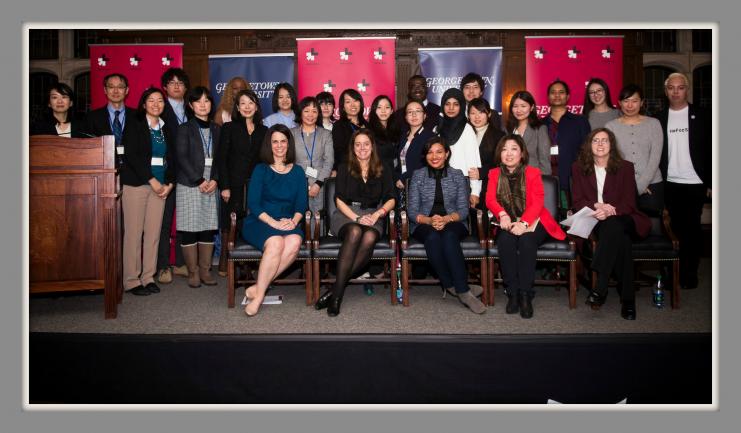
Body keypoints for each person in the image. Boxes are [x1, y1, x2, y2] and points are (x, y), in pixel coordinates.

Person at [571, 128, 651, 320]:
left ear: (611, 145)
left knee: (614, 226)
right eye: (595, 140)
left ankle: (600, 287)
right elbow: (577, 201)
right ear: (589, 145)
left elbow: (629, 203)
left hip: (625, 217)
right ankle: (628, 300)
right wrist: (597, 206)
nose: (600, 144)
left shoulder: (625, 167)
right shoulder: (578, 167)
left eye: (605, 141)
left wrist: (610, 209)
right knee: (621, 240)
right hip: (595, 219)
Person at [314, 129, 395, 316]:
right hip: (346, 215)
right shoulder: (344, 167)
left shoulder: (383, 167)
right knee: (355, 232)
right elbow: (339, 200)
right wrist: (356, 218)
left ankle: (335, 289)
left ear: (372, 146)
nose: (362, 148)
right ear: (353, 147)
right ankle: (337, 297)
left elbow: (391, 198)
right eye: (357, 144)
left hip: (374, 214)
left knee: (368, 237)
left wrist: (377, 215)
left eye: (366, 144)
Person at [486, 134, 566, 319]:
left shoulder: (532, 172)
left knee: (527, 241)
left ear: (522, 153)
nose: (509, 153)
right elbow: (490, 199)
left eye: (514, 149)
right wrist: (503, 215)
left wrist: (523, 223)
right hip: (507, 220)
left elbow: (538, 202)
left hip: (535, 220)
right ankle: (512, 292)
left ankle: (525, 294)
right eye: (504, 149)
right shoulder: (494, 174)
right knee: (505, 242)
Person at [407, 136, 487, 314]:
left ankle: (458, 288)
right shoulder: (418, 175)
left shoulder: (457, 175)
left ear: (447, 154)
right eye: (430, 152)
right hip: (424, 222)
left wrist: (446, 219)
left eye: (439, 152)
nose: (434, 156)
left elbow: (463, 210)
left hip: (454, 220)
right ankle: (459, 288)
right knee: (433, 237)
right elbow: (412, 211)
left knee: (449, 236)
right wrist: (429, 220)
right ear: (425, 156)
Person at [241, 124, 308, 316]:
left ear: (289, 144)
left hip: (288, 221)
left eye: (283, 141)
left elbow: (301, 205)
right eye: (275, 141)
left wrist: (294, 222)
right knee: (276, 242)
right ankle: (260, 296)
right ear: (269, 145)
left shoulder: (297, 172)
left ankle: (259, 287)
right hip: (260, 221)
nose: (279, 146)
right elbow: (253, 204)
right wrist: (273, 223)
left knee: (295, 241)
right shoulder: (261, 170)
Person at [656, 72, 711, 290]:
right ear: (666, 90)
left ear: (687, 90)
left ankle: (689, 275)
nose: (676, 92)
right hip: (669, 182)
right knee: (670, 230)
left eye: (680, 87)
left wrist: (712, 183)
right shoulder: (659, 118)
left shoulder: (704, 115)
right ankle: (671, 274)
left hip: (695, 182)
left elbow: (713, 150)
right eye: (671, 88)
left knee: (692, 231)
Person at [119, 87, 175, 296]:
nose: (156, 104)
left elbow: (172, 159)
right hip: (137, 184)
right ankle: (132, 280)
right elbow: (132, 156)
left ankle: (148, 276)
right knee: (133, 234)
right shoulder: (135, 125)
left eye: (160, 100)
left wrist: (169, 183)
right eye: (151, 100)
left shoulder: (165, 127)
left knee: (153, 234)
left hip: (161, 188)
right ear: (143, 104)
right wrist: (151, 180)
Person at [216, 89, 267, 276]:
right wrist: (225, 186)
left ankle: (248, 266)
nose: (247, 107)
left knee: (251, 223)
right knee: (230, 225)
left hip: (256, 185)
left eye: (251, 103)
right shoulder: (229, 128)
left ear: (256, 107)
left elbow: (266, 159)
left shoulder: (264, 130)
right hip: (233, 185)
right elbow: (222, 159)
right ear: (237, 107)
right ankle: (224, 262)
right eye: (243, 103)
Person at [175, 86, 221, 288]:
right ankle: (192, 271)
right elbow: (181, 157)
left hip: (211, 183)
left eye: (207, 101)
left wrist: (216, 180)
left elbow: (221, 159)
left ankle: (205, 270)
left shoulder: (217, 129)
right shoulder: (185, 128)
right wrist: (199, 180)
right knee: (190, 229)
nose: (203, 105)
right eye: (198, 101)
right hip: (190, 184)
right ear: (191, 106)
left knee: (207, 228)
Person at [605, 84, 664, 216]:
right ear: (619, 103)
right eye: (626, 101)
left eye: (635, 101)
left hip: (651, 184)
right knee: (627, 226)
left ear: (642, 102)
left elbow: (655, 157)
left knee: (652, 227)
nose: (630, 105)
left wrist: (641, 185)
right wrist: (630, 187)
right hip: (622, 186)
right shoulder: (610, 127)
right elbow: (612, 159)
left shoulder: (654, 124)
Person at [156, 67, 191, 284]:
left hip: (187, 174)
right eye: (172, 82)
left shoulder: (192, 108)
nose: (176, 86)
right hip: (167, 174)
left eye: (180, 82)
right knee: (164, 221)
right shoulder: (159, 109)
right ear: (165, 87)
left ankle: (179, 263)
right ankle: (162, 266)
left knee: (184, 221)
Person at [542, 80, 591, 208]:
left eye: (561, 92)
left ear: (568, 96)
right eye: (553, 93)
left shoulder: (580, 121)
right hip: (546, 178)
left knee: (570, 219)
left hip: (572, 179)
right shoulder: (540, 124)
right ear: (548, 97)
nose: (557, 95)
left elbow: (587, 151)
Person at [438, 88, 482, 209]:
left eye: (456, 104)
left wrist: (475, 191)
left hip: (462, 185)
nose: (451, 108)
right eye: (447, 104)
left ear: (462, 106)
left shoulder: (467, 129)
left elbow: (474, 162)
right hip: (440, 185)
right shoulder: (439, 129)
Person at [290, 96, 334, 213]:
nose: (310, 115)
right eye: (306, 111)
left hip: (320, 183)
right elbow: (288, 161)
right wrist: (300, 183)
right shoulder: (291, 133)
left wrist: (318, 184)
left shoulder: (326, 134)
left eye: (314, 111)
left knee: (317, 218)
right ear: (300, 112)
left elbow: (329, 162)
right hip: (296, 183)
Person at [467, 97, 504, 232]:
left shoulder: (499, 136)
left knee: (484, 228)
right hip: (465, 187)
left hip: (489, 187)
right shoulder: (463, 134)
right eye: (473, 113)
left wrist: (482, 172)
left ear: (488, 114)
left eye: (481, 112)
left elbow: (502, 165)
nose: (477, 117)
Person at [83, 73, 137, 166]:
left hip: (133, 172)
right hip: (103, 169)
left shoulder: (138, 116)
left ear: (127, 90)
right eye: (111, 87)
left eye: (120, 87)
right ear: (105, 90)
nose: (115, 91)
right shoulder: (92, 117)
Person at [506, 90, 551, 174]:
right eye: (515, 106)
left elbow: (545, 161)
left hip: (532, 179)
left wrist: (543, 182)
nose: (518, 110)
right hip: (510, 179)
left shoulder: (540, 129)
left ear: (532, 107)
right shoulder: (508, 129)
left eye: (523, 106)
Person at [395, 100, 436, 192]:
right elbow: (401, 163)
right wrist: (398, 177)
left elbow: (427, 165)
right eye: (410, 112)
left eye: (418, 111)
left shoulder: (431, 137)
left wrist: (404, 177)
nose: (414, 115)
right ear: (405, 117)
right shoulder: (403, 137)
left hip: (422, 187)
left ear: (424, 116)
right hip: (403, 187)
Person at [331, 88, 368, 174]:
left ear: (360, 103)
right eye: (348, 102)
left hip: (368, 170)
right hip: (348, 171)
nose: (352, 105)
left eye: (355, 101)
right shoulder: (338, 126)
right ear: (343, 107)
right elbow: (339, 153)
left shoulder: (368, 125)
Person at [367, 94, 401, 168]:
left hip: (395, 173)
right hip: (377, 172)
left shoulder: (396, 129)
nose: (383, 111)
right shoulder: (368, 132)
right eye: (379, 107)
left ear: (391, 111)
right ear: (374, 110)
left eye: (387, 107)